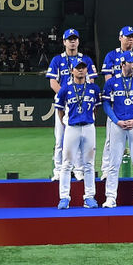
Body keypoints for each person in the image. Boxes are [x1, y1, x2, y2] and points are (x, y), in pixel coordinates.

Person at [101, 51, 133, 208]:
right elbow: (105, 104)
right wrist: (116, 121)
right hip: (118, 125)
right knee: (113, 162)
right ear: (123, 65)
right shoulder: (111, 82)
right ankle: (110, 197)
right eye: (131, 62)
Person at [46, 28, 98, 182]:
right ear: (64, 42)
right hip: (64, 104)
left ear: (79, 41)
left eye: (75, 38)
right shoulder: (57, 60)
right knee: (60, 138)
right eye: (70, 39)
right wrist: (66, 96)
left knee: (82, 138)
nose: (73, 41)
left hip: (82, 102)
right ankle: (58, 170)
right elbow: (53, 82)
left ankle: (79, 170)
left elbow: (92, 81)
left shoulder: (86, 60)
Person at [100, 26, 133, 180]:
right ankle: (106, 170)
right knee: (110, 139)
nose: (130, 39)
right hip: (117, 101)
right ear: (120, 37)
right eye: (128, 36)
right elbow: (108, 78)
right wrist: (114, 97)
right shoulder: (111, 55)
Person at [54, 61, 100, 209]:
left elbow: (96, 108)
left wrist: (90, 120)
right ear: (72, 70)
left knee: (89, 164)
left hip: (88, 127)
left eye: (83, 68)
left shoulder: (94, 88)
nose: (81, 70)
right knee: (67, 164)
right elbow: (60, 109)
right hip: (72, 128)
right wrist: (65, 122)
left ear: (87, 70)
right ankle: (64, 197)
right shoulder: (65, 89)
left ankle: (89, 197)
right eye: (78, 68)